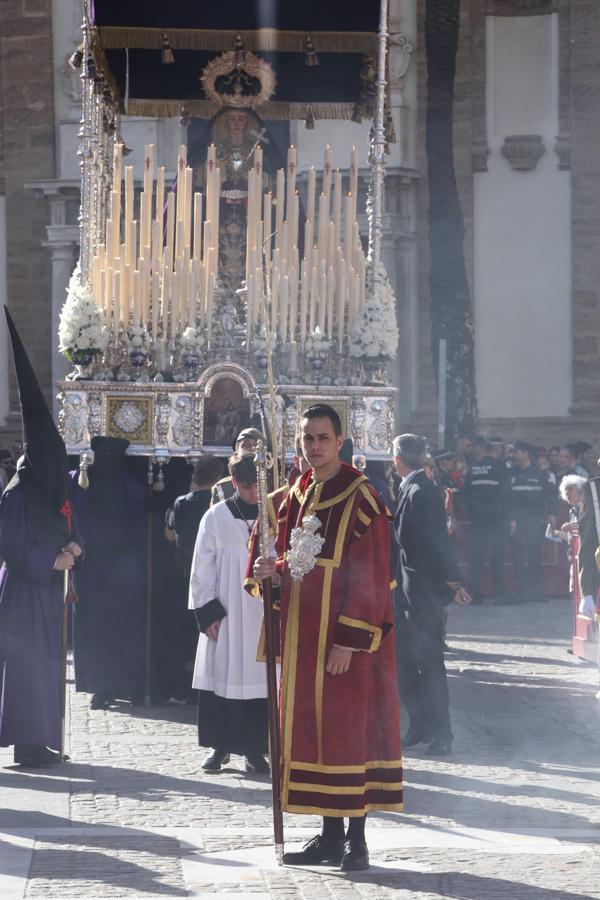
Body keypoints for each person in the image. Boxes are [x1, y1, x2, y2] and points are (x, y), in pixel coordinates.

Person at [253, 404, 402, 872]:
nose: (313, 446)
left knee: (346, 735)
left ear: (340, 441)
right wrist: (267, 572)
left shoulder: (362, 499)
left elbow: (374, 576)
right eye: (306, 439)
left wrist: (348, 640)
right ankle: (328, 835)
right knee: (312, 737)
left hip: (344, 646)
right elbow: (279, 561)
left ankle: (356, 840)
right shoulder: (292, 497)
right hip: (301, 640)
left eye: (322, 438)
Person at [0, 309, 82, 767]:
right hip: (23, 592)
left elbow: (70, 527)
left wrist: (74, 549)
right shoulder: (16, 495)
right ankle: (26, 745)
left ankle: (44, 739)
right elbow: (9, 545)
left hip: (48, 593)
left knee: (47, 668)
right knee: (27, 667)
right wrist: (50, 562)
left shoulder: (50, 492)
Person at [190, 452, 269, 775]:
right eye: (248, 486)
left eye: (258, 486)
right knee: (222, 679)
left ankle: (254, 750)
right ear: (235, 483)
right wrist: (207, 612)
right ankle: (220, 747)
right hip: (227, 614)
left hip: (264, 614)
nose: (254, 493)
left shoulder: (274, 516)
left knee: (260, 683)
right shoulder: (216, 517)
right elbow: (201, 567)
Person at [393, 434, 471, 757]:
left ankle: (442, 733)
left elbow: (439, 542)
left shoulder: (421, 491)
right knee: (405, 663)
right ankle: (420, 723)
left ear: (398, 458)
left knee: (430, 664)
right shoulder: (411, 487)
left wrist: (455, 582)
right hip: (408, 591)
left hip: (423, 593)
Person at [70, 437, 147, 709]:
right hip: (119, 566)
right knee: (121, 627)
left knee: (103, 628)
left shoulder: (79, 485)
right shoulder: (133, 488)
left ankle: (103, 687)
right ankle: (126, 685)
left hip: (99, 567)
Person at [509, 441, 557, 603]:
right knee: (517, 556)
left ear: (527, 454)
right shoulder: (511, 473)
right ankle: (520, 592)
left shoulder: (540, 474)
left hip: (535, 520)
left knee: (535, 556)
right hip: (516, 521)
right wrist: (511, 519)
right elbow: (506, 498)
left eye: (519, 452)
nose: (516, 455)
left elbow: (551, 495)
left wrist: (552, 514)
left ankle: (535, 592)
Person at [463, 437, 510, 602]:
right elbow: (506, 494)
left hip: (478, 518)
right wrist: (508, 517)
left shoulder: (474, 467)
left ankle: (472, 594)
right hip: (496, 518)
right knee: (497, 556)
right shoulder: (500, 467)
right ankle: (500, 595)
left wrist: (472, 511)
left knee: (477, 557)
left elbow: (465, 493)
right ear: (497, 449)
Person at [211, 427, 263, 504]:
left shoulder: (273, 483)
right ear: (236, 453)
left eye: (256, 446)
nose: (251, 449)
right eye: (245, 445)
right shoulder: (222, 489)